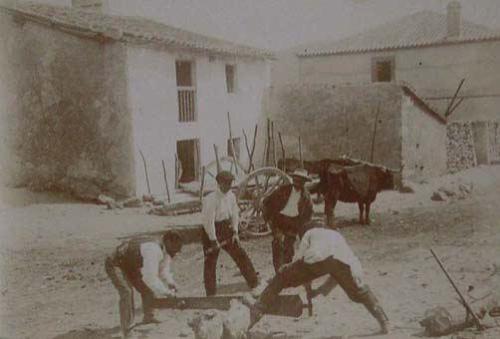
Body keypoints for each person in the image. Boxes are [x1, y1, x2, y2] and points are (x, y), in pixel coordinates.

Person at [249, 220, 389, 334]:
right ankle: (383, 320)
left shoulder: (309, 233)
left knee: (281, 278)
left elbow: (301, 258)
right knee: (358, 293)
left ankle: (259, 306)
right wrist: (319, 291)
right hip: (342, 262)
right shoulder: (336, 235)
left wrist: (287, 269)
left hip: (316, 260)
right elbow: (336, 276)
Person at [105, 230, 183, 337]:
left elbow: (163, 269)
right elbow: (150, 279)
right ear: (168, 242)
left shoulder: (165, 250)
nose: (176, 252)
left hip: (130, 264)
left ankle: (149, 317)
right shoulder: (153, 250)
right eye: (175, 247)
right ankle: (127, 328)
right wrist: (167, 293)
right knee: (127, 292)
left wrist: (170, 282)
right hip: (115, 263)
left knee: (147, 289)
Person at [202, 170, 259, 296]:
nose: (228, 186)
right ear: (219, 183)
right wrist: (213, 240)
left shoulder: (231, 196)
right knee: (210, 263)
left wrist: (235, 232)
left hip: (226, 228)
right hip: (211, 231)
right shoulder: (210, 199)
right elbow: (208, 221)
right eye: (226, 183)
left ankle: (254, 284)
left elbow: (234, 214)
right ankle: (210, 294)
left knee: (241, 255)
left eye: (230, 183)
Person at [262, 168, 313, 273]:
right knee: (277, 243)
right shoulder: (283, 190)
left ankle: (287, 272)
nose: (297, 182)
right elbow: (267, 202)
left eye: (300, 181)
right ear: (293, 180)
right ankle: (278, 272)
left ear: (304, 182)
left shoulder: (306, 196)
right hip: (279, 220)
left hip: (293, 223)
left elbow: (308, 214)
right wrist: (268, 221)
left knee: (289, 248)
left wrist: (302, 229)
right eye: (295, 180)